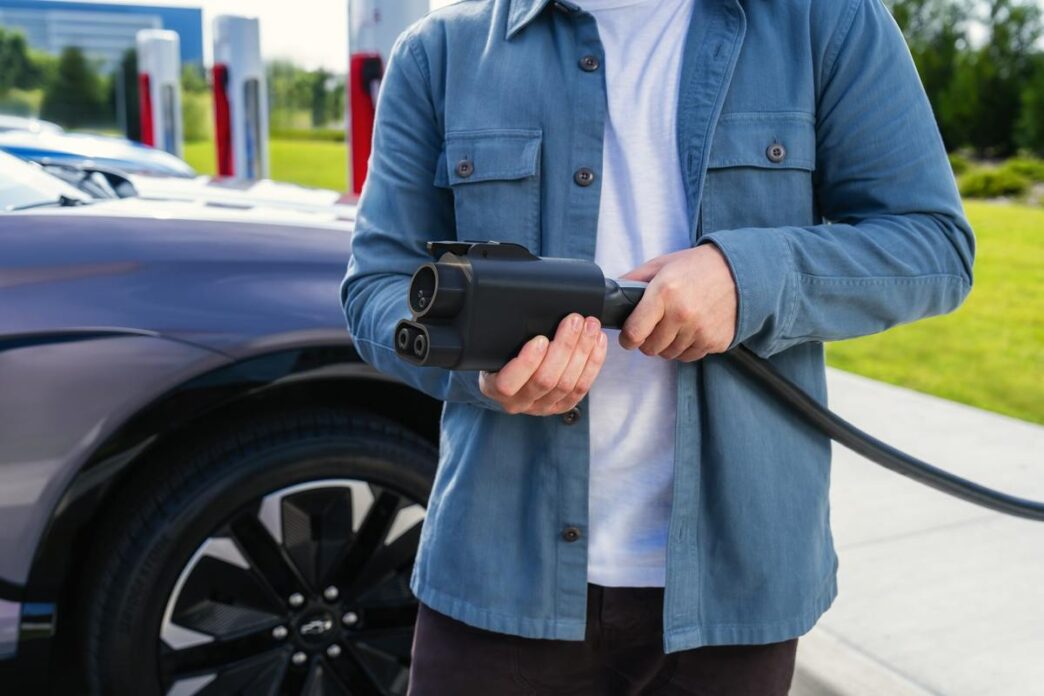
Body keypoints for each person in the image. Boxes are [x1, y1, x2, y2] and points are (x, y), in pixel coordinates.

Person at [340, 0, 974, 692]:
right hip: (495, 581)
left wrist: (745, 278)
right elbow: (378, 286)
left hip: (734, 598)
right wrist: (477, 373)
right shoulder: (439, 52)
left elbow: (932, 246)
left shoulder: (824, 21)